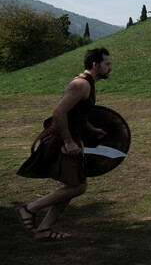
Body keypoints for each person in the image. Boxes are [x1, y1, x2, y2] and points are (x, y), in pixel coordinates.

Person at [15, 47, 112, 241]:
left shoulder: (88, 84)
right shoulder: (81, 85)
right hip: (61, 141)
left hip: (71, 139)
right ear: (95, 65)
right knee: (78, 187)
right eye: (107, 64)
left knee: (73, 184)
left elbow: (77, 112)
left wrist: (91, 129)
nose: (110, 68)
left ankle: (44, 230)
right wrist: (68, 141)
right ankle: (28, 209)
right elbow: (58, 112)